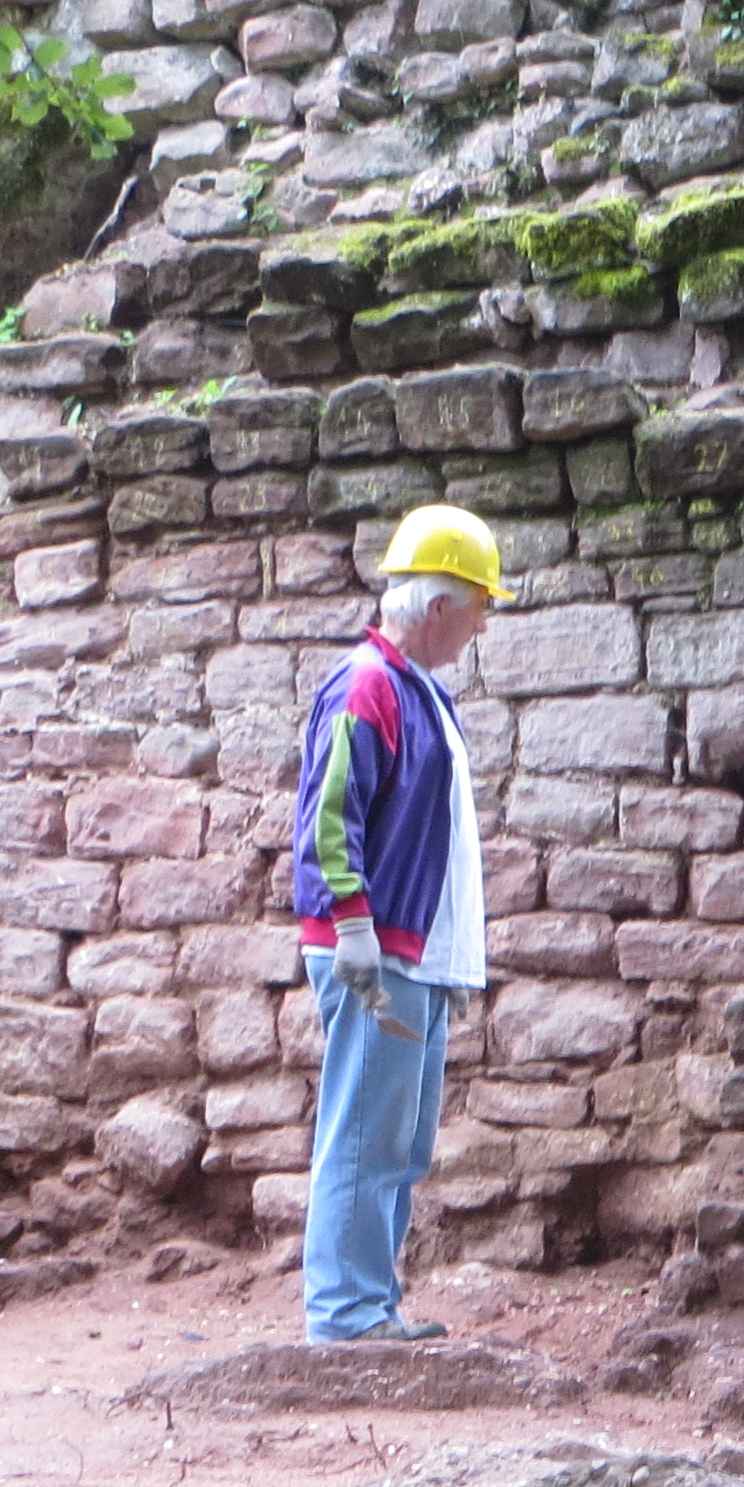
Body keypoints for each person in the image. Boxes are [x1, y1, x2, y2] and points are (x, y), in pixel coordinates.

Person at [286, 505, 501, 1347]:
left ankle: (368, 1306)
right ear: (439, 605)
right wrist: (352, 927)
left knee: (397, 1143)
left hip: (414, 955)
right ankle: (345, 1316)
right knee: (363, 1135)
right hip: (378, 953)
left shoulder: (417, 690)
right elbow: (329, 817)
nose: (483, 625)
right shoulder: (367, 686)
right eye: (479, 606)